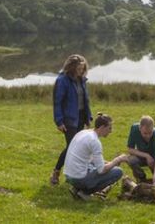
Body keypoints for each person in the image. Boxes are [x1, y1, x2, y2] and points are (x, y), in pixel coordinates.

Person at [50, 54, 92, 186]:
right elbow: (57, 102)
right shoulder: (62, 80)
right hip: (69, 120)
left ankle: (75, 174)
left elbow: (85, 100)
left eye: (82, 68)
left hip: (80, 117)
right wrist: (59, 121)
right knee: (71, 147)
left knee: (76, 147)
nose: (81, 71)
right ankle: (56, 172)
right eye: (79, 68)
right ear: (72, 67)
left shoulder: (82, 80)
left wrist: (88, 117)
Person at [64, 113, 128, 200]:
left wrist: (110, 163)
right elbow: (101, 170)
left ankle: (76, 189)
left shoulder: (83, 133)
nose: (111, 131)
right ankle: (84, 193)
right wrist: (118, 159)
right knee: (118, 172)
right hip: (78, 177)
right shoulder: (94, 141)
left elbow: (91, 159)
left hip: (69, 175)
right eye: (109, 128)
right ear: (102, 127)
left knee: (99, 166)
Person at [126, 115, 155, 184]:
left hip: (154, 160)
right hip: (141, 156)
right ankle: (141, 180)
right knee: (131, 160)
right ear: (139, 128)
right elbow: (130, 149)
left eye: (150, 133)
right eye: (145, 133)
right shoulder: (134, 129)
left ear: (153, 128)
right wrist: (147, 155)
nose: (148, 136)